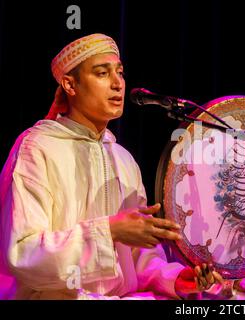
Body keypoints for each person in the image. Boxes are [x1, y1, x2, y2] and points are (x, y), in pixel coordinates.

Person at [0, 33, 222, 300]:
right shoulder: (37, 149)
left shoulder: (124, 159)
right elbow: (23, 252)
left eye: (120, 73)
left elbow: (139, 257)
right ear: (70, 85)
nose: (118, 84)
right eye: (102, 73)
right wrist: (110, 230)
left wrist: (174, 278)